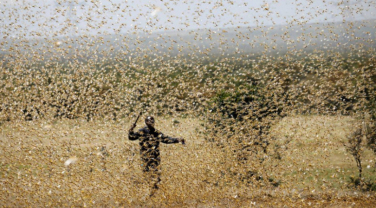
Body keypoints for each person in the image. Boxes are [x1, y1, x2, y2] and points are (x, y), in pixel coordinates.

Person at [128, 116, 185, 196]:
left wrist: (178, 140)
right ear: (146, 122)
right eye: (148, 121)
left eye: (152, 120)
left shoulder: (156, 132)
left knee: (157, 177)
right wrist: (131, 129)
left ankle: (153, 194)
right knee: (147, 176)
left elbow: (166, 139)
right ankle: (147, 193)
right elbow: (131, 137)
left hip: (155, 159)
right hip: (145, 158)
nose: (150, 122)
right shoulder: (141, 132)